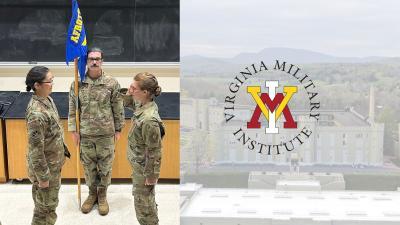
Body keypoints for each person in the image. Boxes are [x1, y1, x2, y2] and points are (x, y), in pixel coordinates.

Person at [68, 47, 125, 215]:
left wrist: (119, 128)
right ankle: (92, 194)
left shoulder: (111, 83)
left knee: (105, 167)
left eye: (97, 59)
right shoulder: (77, 83)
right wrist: (73, 130)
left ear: (102, 61)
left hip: (106, 134)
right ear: (86, 61)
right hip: (85, 134)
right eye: (91, 58)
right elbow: (73, 108)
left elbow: (118, 107)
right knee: (88, 167)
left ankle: (102, 195)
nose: (94, 61)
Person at [25, 66, 67, 225]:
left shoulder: (47, 99)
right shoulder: (37, 114)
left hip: (53, 164)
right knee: (44, 210)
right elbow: (36, 150)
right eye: (49, 81)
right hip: (45, 169)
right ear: (37, 85)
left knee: (50, 205)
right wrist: (43, 178)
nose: (52, 84)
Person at [122, 72, 164, 225]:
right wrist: (130, 91)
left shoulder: (149, 120)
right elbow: (128, 102)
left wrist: (151, 176)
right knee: (145, 202)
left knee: (144, 207)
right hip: (139, 165)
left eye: (133, 88)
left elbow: (155, 151)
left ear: (145, 92)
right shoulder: (143, 103)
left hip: (144, 169)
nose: (130, 90)